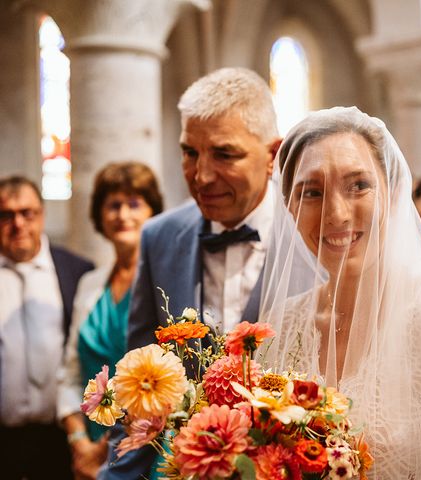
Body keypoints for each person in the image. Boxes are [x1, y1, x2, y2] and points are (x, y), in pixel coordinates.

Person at [259, 107, 421, 478]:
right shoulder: (280, 326)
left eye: (358, 185)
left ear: (394, 192)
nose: (336, 214)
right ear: (290, 207)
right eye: (312, 192)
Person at [101, 67, 281, 479]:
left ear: (272, 155)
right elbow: (138, 389)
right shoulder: (160, 237)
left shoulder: (316, 238)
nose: (201, 176)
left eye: (224, 154)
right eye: (190, 152)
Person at [57, 162, 163, 479]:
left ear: (153, 213)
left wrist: (109, 445)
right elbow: (71, 372)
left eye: (134, 204)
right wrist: (79, 442)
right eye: (113, 205)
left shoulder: (163, 283)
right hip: (87, 448)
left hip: (147, 445)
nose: (122, 215)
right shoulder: (90, 283)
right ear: (100, 215)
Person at [0, 175, 94, 480]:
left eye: (27, 213)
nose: (18, 224)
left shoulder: (77, 271)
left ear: (41, 214)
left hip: (60, 436)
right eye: (6, 215)